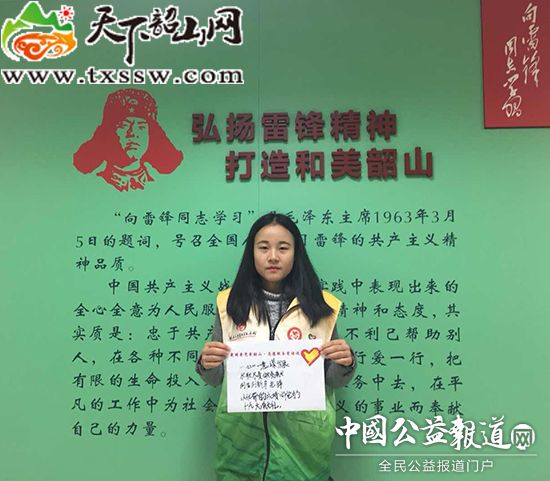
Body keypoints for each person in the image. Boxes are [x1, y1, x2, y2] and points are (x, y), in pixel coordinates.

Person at [197, 212, 356, 481]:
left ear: (296, 253)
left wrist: (345, 362)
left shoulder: (321, 306)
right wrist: (207, 363)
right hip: (240, 449)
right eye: (263, 248)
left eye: (283, 248)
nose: (273, 256)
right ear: (252, 253)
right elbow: (215, 378)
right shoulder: (229, 304)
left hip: (304, 452)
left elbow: (333, 380)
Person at [73, 88, 183, 191]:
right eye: (124, 126)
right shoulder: (93, 185)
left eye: (141, 127)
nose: (133, 134)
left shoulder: (162, 185)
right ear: (110, 132)